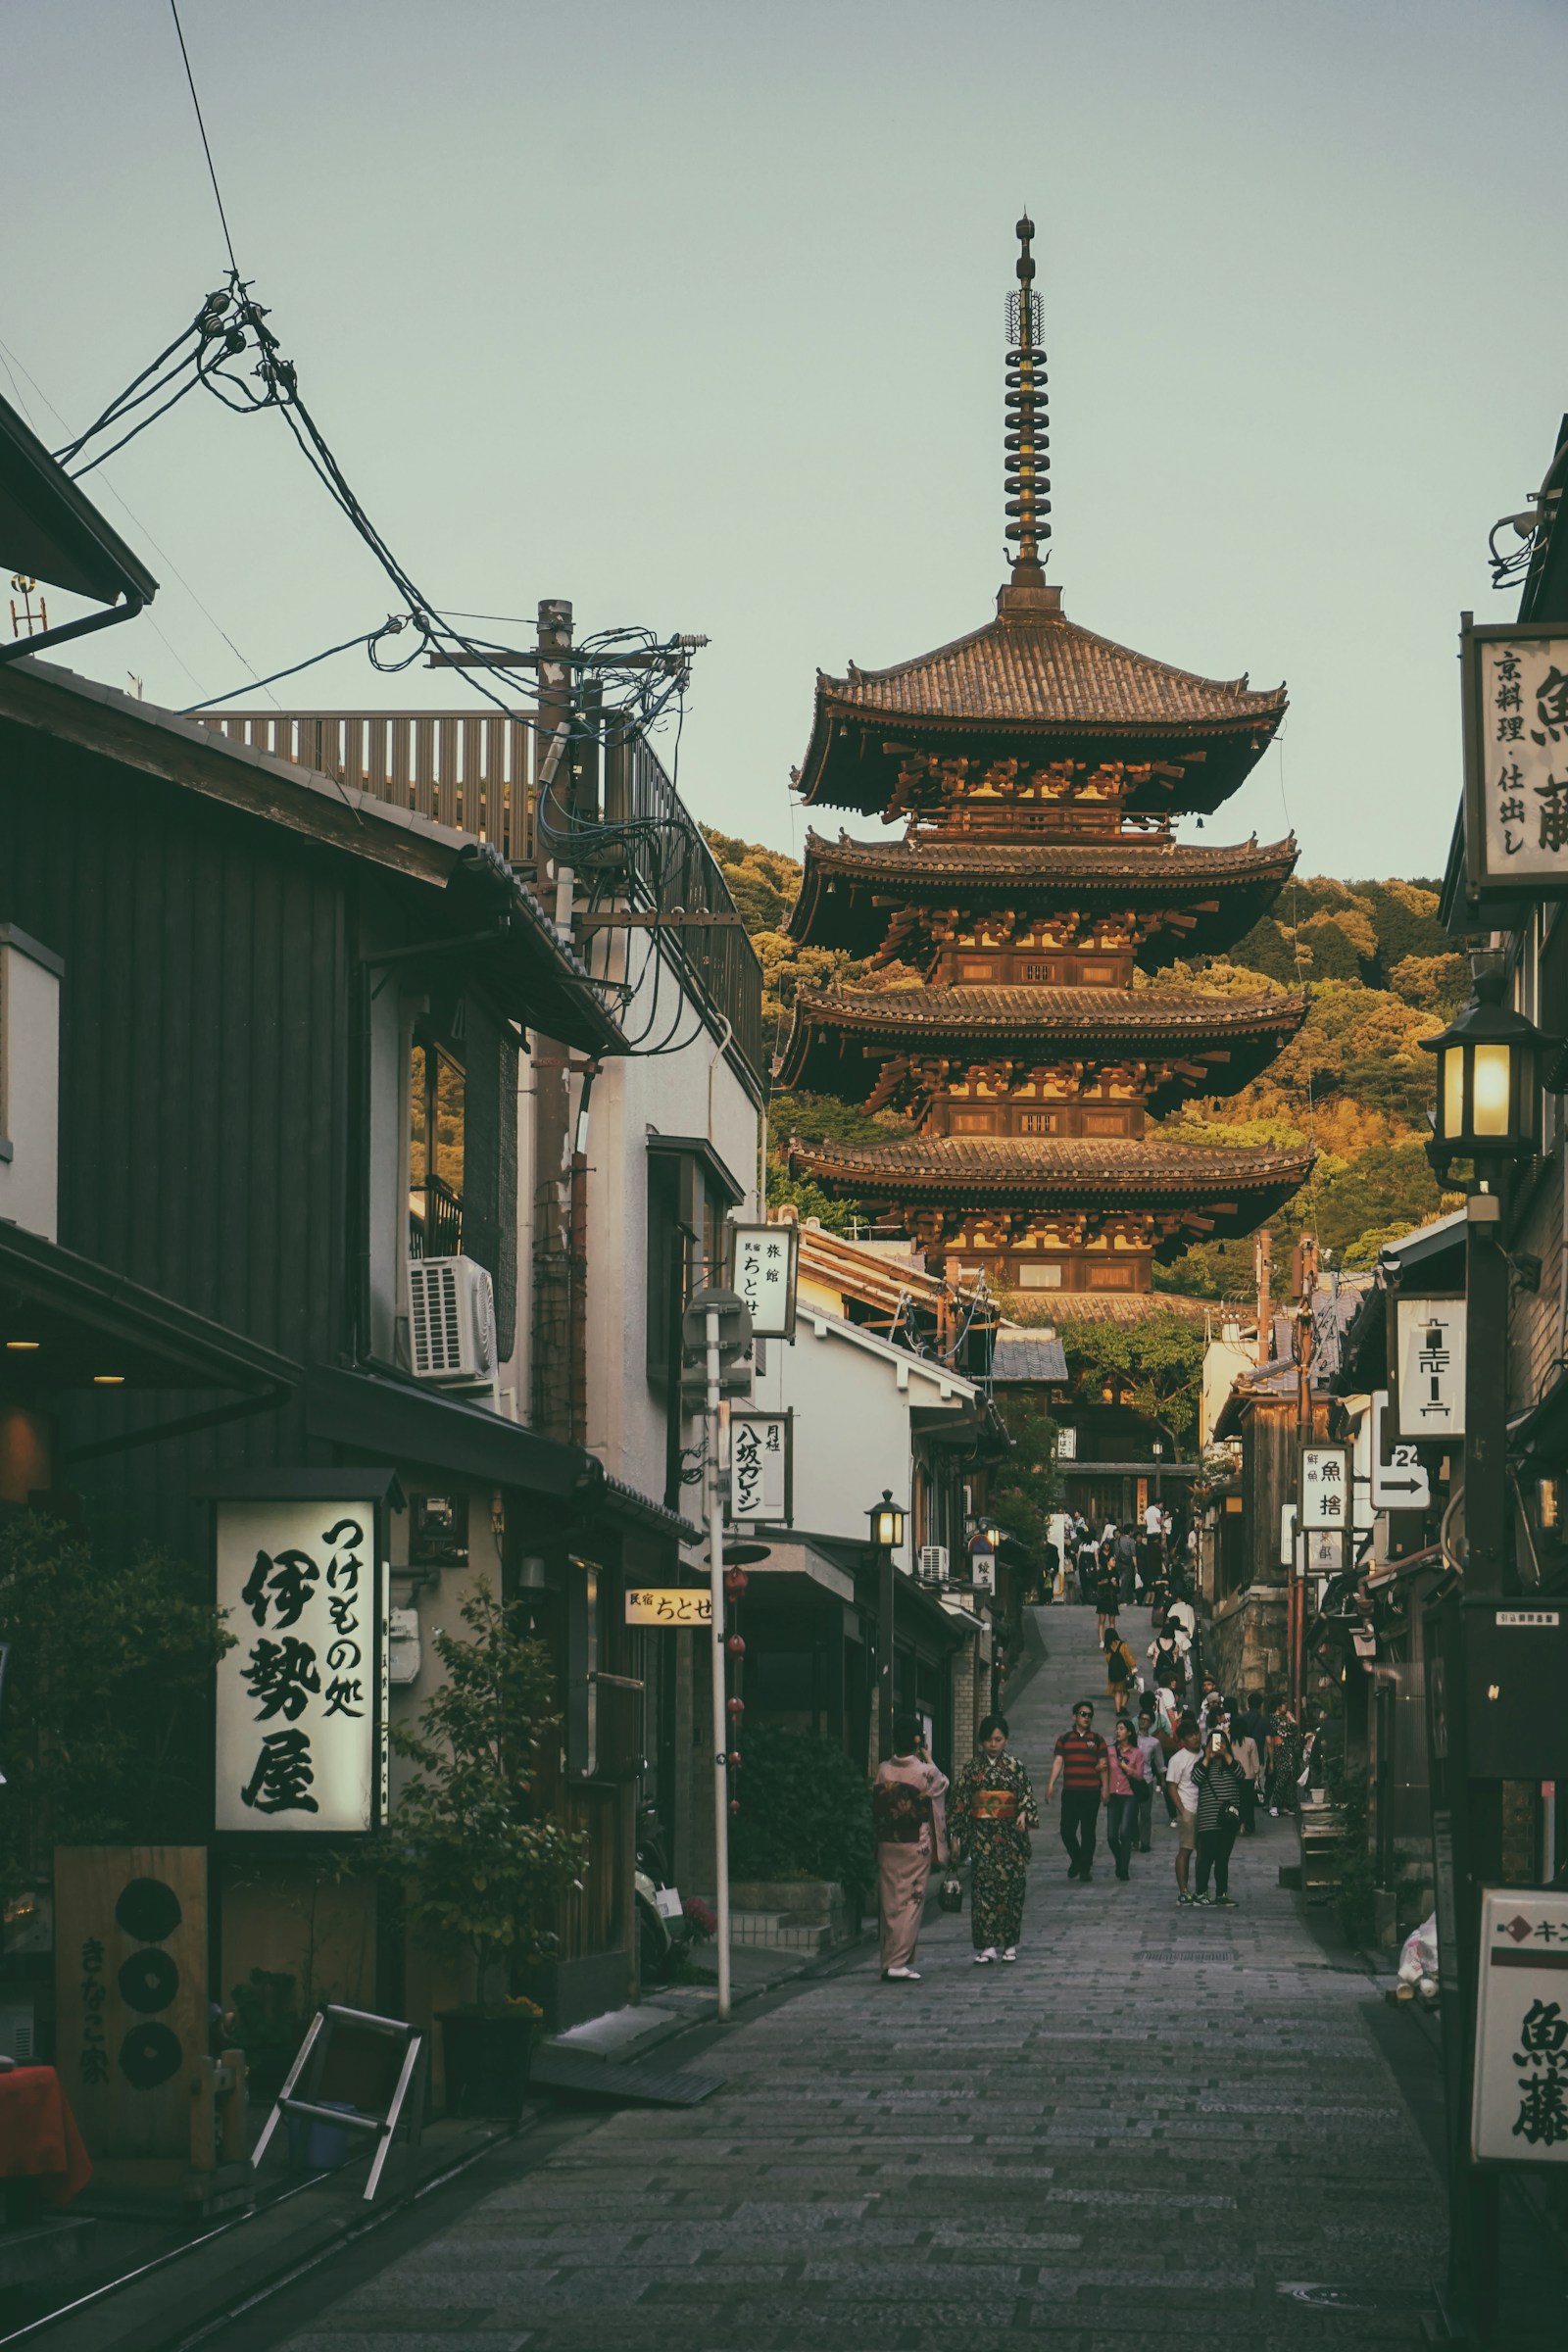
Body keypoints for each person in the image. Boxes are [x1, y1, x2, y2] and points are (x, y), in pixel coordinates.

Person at [950, 1713, 1039, 1963]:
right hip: (982, 1839)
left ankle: (1010, 1943)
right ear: (981, 1742)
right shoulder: (972, 1769)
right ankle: (987, 1945)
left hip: (1010, 1838)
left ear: (1006, 1741)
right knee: (983, 1892)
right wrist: (956, 1836)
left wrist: (1023, 1814)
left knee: (1012, 1890)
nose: (993, 1744)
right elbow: (960, 1803)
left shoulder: (1014, 1767)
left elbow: (1027, 1797)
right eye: (989, 1740)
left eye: (998, 1739)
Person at [871, 1713, 948, 1981]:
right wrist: (927, 1756)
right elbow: (943, 1783)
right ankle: (897, 1962)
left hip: (887, 1842)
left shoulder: (883, 1770)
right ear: (918, 1740)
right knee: (911, 1901)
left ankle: (890, 1958)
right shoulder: (925, 1772)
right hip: (915, 1842)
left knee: (891, 1900)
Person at [1046, 1699, 1110, 1883]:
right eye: (1083, 1714)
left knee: (1088, 1831)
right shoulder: (1064, 1739)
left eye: (1090, 1715)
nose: (1086, 1718)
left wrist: (1105, 1788)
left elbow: (1104, 1766)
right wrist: (1051, 1784)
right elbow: (1058, 1762)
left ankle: (1085, 1867)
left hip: (1091, 1792)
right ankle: (1077, 1858)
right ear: (1075, 1716)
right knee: (1067, 1830)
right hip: (1071, 1792)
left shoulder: (1097, 1740)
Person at [1191, 1728, 1249, 1907]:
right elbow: (1196, 1778)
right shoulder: (1202, 1764)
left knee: (1223, 1859)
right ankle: (1200, 1892)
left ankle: (1222, 1893)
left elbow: (1241, 1775)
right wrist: (1208, 1758)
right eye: (1214, 1742)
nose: (1218, 1746)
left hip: (1228, 1821)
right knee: (1206, 1858)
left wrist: (1226, 1755)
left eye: (1221, 1742)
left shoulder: (1232, 1764)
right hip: (1208, 1821)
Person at [1165, 1714, 1202, 1904]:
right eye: (1190, 1735)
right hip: (1188, 1807)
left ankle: (1201, 1889)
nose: (1195, 1737)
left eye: (1196, 1733)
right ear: (1183, 1739)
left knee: (1204, 1853)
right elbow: (1171, 1786)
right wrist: (1182, 1810)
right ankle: (1184, 1889)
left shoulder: (1206, 1754)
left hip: (1205, 1810)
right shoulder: (1178, 1759)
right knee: (1186, 1850)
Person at [1104, 1718, 1147, 1882]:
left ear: (1129, 1732)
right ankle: (1120, 1859)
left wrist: (1126, 1768)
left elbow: (1139, 1775)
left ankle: (1124, 1869)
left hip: (1129, 1795)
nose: (1118, 1731)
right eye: (1117, 1729)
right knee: (1111, 1836)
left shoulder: (1137, 1753)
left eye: (1121, 1729)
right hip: (1113, 1795)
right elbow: (1104, 1769)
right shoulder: (1109, 1751)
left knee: (1125, 1833)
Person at [1133, 1702, 1167, 1849]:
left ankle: (1145, 1841)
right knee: (1131, 1813)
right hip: (1130, 1780)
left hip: (1146, 1779)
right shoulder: (1130, 1739)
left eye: (1146, 1720)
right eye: (1141, 1718)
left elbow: (1160, 1763)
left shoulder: (1154, 1742)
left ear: (1151, 1723)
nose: (1143, 1722)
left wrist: (1163, 1780)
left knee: (1145, 1813)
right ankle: (1134, 1840)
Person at [1270, 1702, 1305, 1816]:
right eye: (1284, 1704)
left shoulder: (1283, 1718)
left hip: (1288, 1751)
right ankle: (1274, 1805)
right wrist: (1292, 1721)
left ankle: (1283, 1805)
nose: (1286, 1706)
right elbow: (1288, 1731)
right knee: (1282, 1776)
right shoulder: (1274, 1719)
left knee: (1290, 1777)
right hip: (1281, 1751)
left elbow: (1292, 1732)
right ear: (1278, 1706)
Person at [1229, 1714, 1262, 1836]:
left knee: (1235, 1802)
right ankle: (1247, 1824)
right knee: (1247, 1803)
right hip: (1248, 1777)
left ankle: (1237, 1824)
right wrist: (1257, 1775)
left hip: (1232, 1776)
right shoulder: (1250, 1741)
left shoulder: (1228, 1741)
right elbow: (1255, 1761)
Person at [1103, 1624, 1138, 1713]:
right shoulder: (1123, 1645)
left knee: (1117, 1692)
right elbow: (1128, 1657)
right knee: (1126, 1690)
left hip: (1114, 1674)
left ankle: (1118, 1711)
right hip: (1125, 1672)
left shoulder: (1107, 1648)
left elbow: (1108, 1660)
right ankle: (1123, 1706)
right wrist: (1133, 1667)